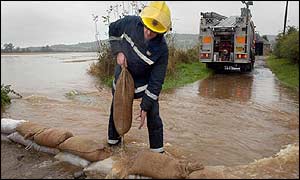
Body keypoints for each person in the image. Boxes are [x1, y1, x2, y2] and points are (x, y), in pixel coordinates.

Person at [107, 1, 172, 153]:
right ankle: (113, 146)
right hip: (123, 78)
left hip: (144, 84)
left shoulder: (162, 50)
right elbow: (112, 29)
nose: (149, 33)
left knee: (153, 113)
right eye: (147, 28)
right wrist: (118, 52)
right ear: (143, 20)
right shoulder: (130, 22)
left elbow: (156, 82)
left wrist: (145, 106)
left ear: (162, 32)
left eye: (154, 31)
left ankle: (157, 151)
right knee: (116, 109)